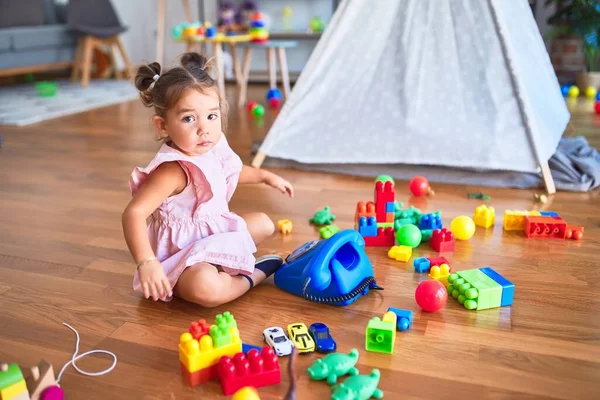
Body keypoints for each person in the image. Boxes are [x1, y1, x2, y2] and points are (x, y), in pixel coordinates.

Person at [122, 52, 293, 307]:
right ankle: (255, 274)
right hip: (181, 257)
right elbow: (133, 214)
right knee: (206, 289)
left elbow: (229, 172)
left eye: (211, 116)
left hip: (209, 236)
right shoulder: (172, 170)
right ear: (163, 126)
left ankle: (222, 263)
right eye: (189, 118)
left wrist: (265, 176)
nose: (204, 129)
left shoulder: (208, 146)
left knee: (265, 224)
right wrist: (147, 263)